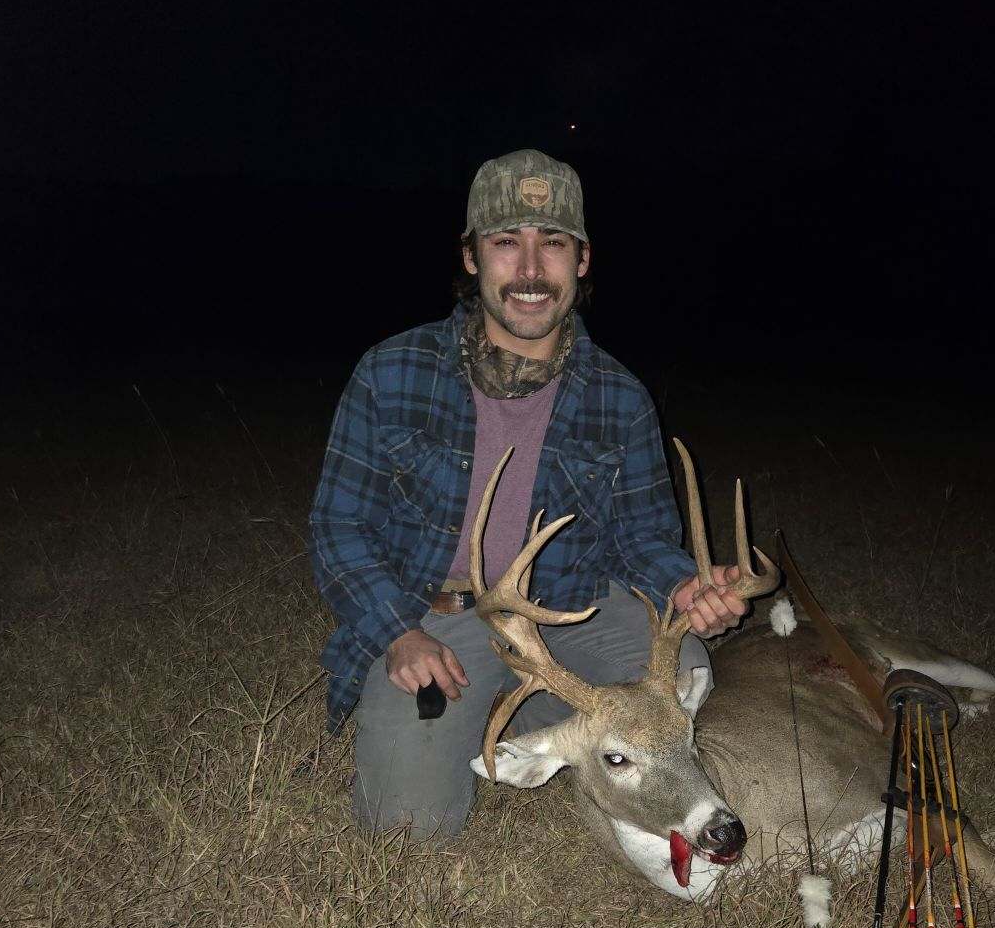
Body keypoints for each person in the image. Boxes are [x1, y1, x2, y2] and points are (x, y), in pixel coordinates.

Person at [310, 148, 750, 837]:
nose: (530, 268)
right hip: (439, 624)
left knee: (686, 672)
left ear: (581, 261)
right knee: (406, 828)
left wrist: (685, 588)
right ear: (471, 259)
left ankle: (567, 733)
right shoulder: (391, 373)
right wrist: (398, 633)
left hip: (574, 615)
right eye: (505, 242)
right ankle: (523, 721)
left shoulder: (619, 397)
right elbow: (338, 530)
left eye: (553, 243)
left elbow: (643, 539)